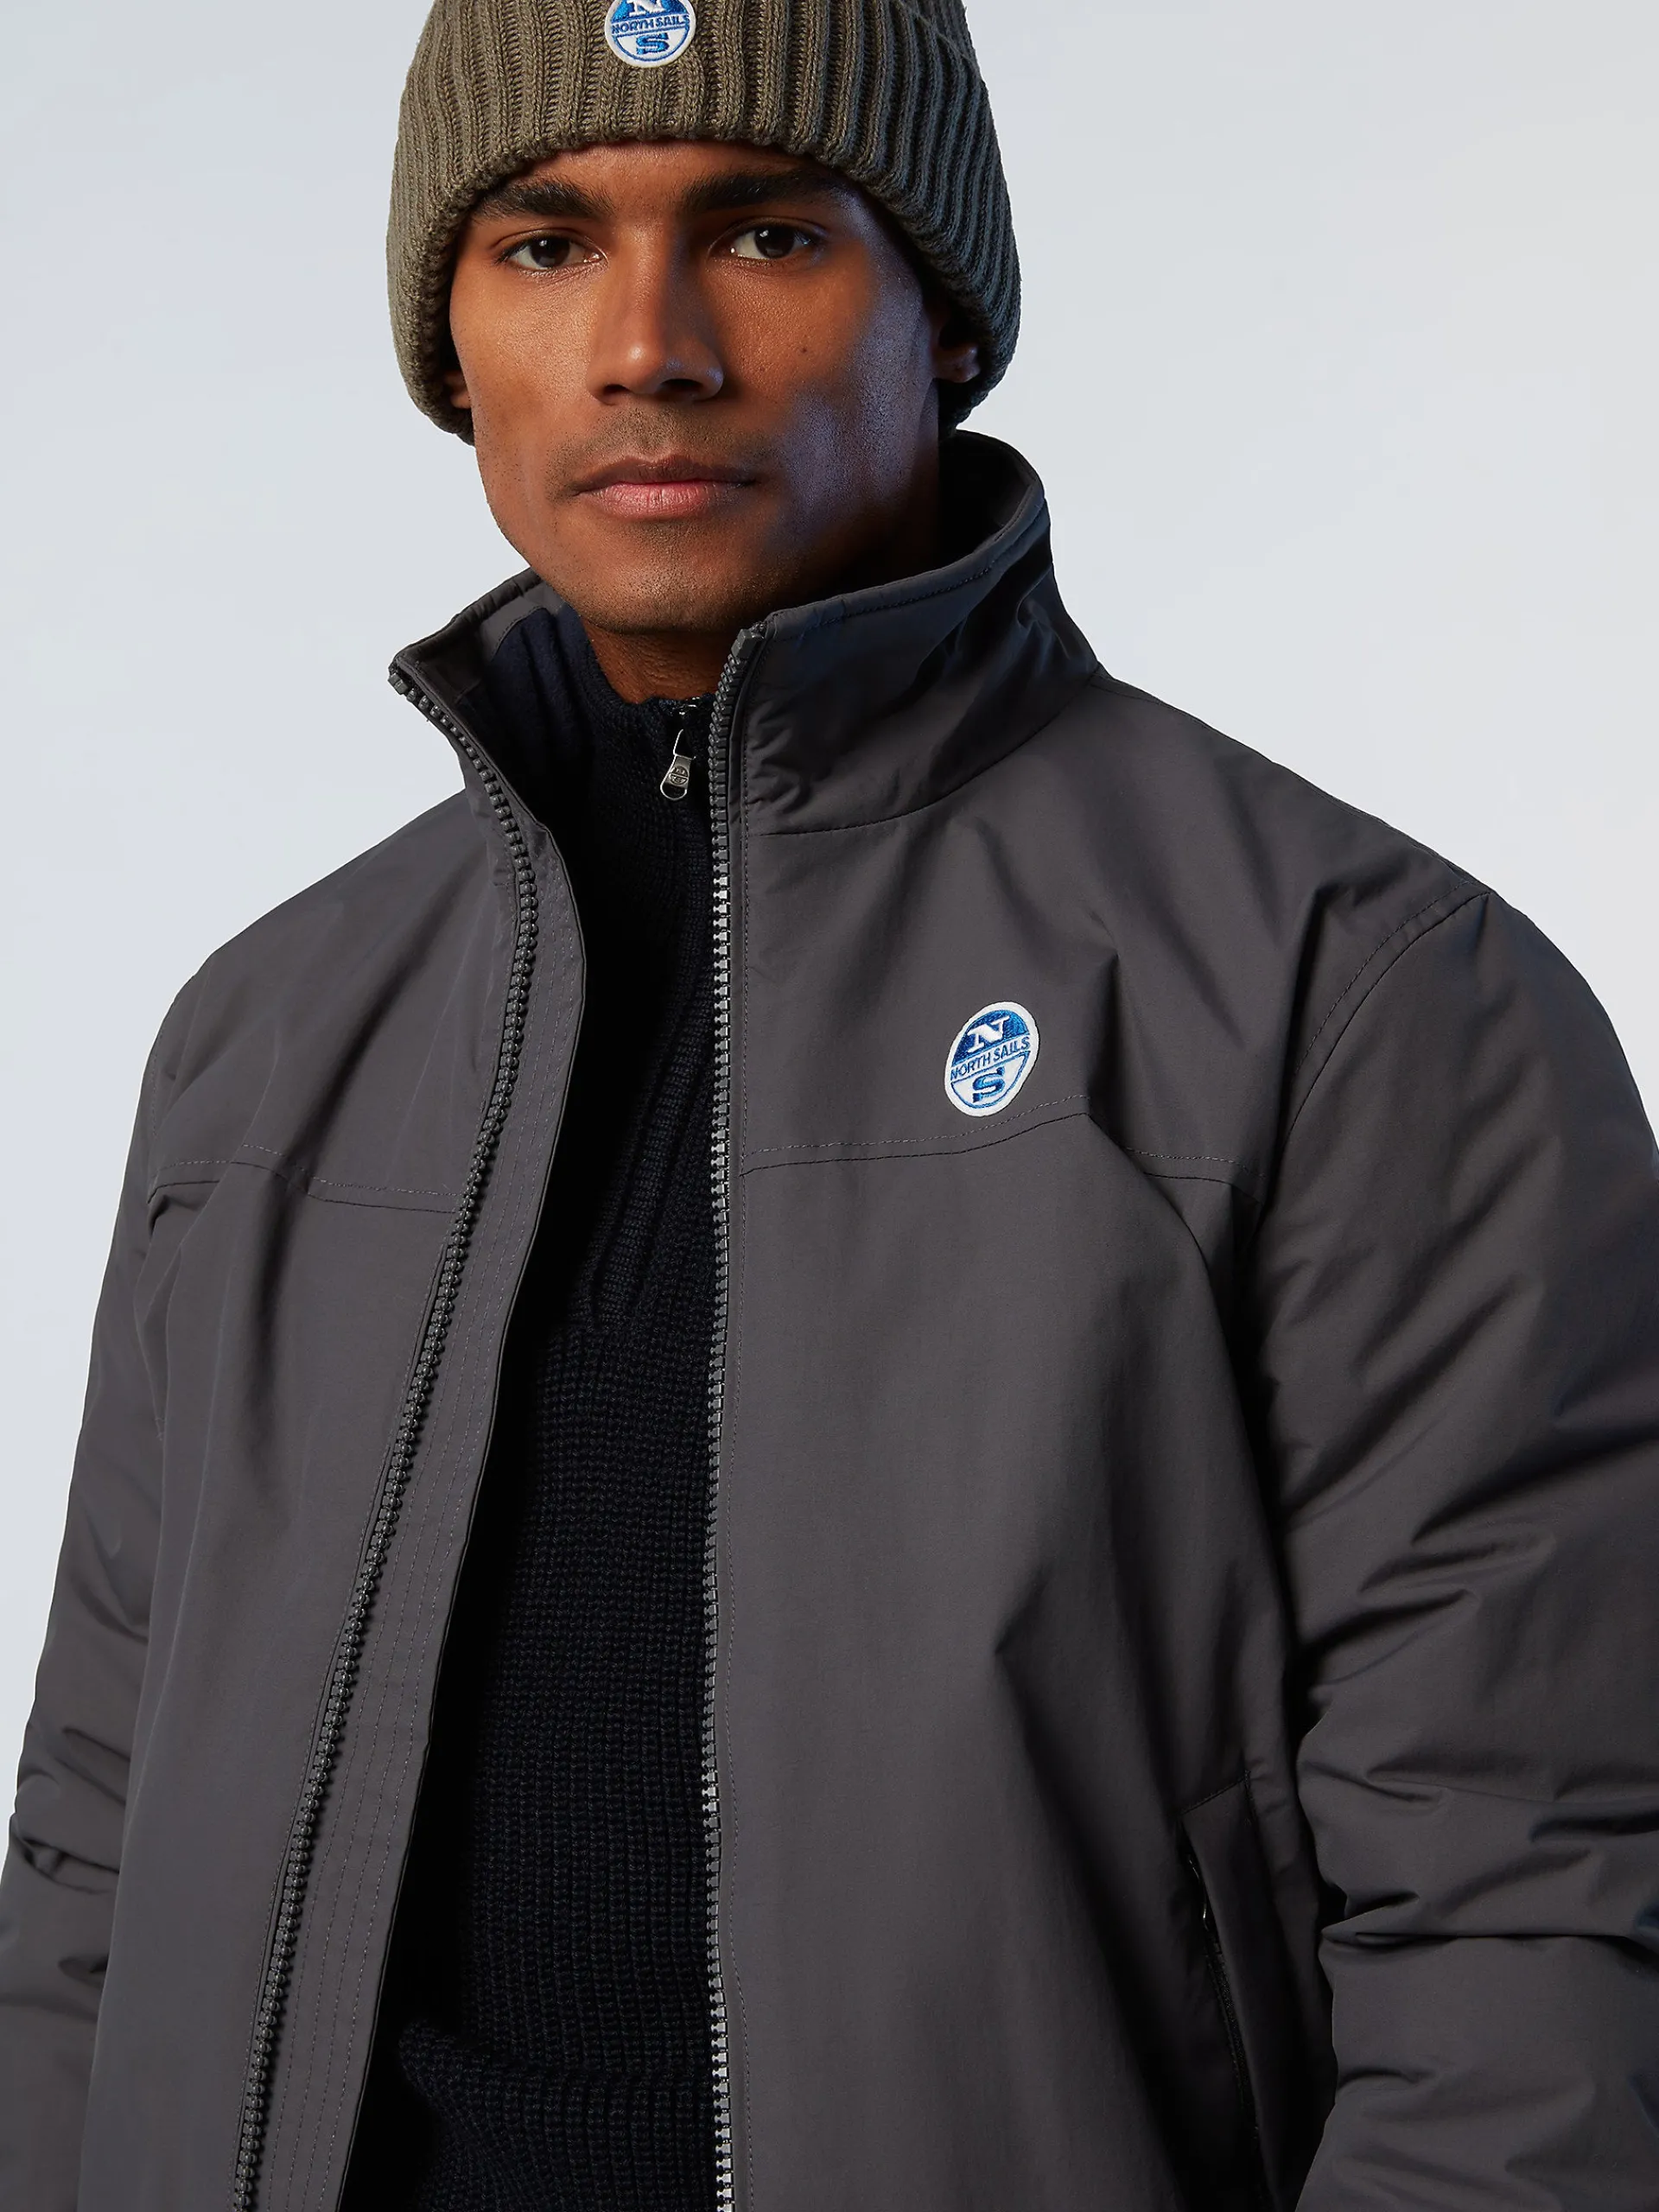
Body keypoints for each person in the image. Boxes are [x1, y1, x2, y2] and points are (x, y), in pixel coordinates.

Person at [4, 0, 1659, 2205]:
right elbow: (95, 1862)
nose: (648, 347)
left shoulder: (1358, 996)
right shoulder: (266, 1038)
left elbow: (1536, 1922)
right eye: (543, 243)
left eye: (768, 234)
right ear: (450, 346)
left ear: (944, 317)